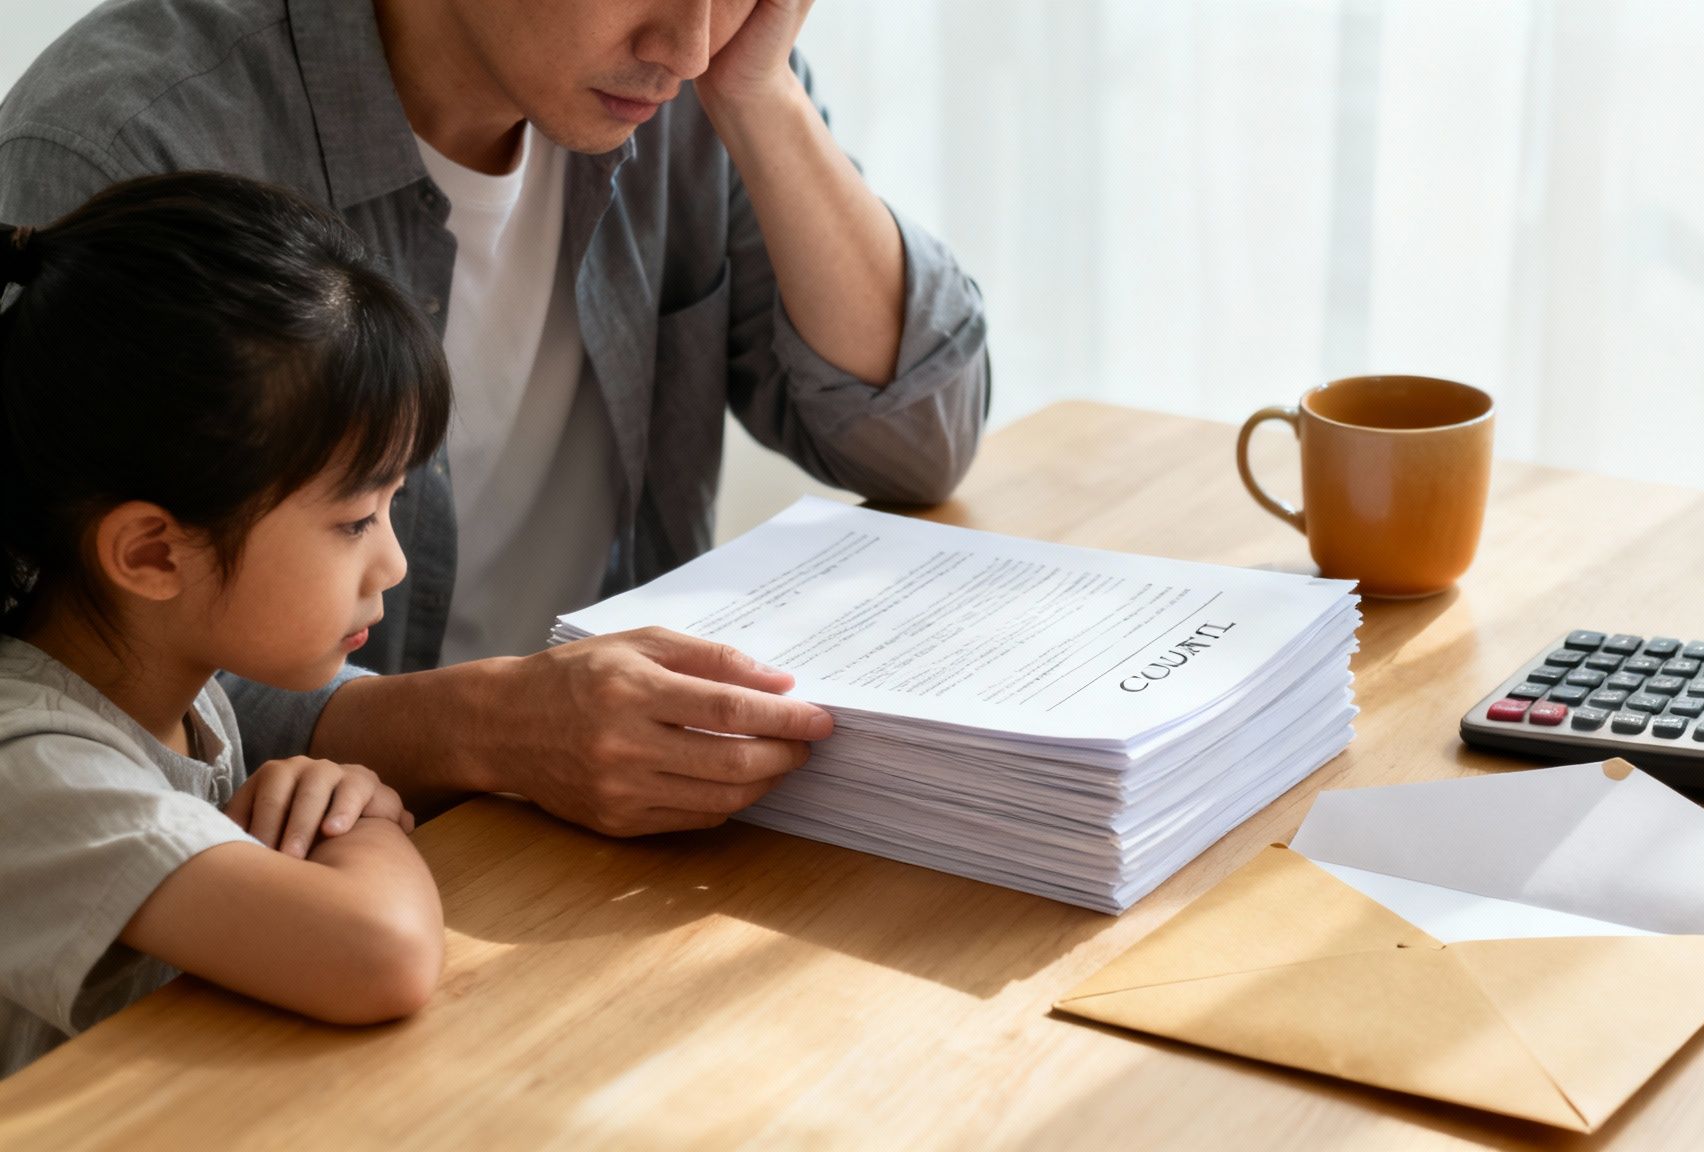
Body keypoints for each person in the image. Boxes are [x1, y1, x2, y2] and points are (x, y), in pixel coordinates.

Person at [0, 0, 992, 837]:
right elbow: (57, 675)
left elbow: (918, 443)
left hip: (616, 836)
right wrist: (482, 727)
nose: (688, 48)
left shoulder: (704, 79)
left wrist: (761, 96)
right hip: (296, 893)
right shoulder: (126, 150)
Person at [0, 171, 452, 1077]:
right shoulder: (35, 771)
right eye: (356, 521)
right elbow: (382, 956)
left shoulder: (185, 693)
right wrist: (365, 817)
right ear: (155, 555)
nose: (394, 563)